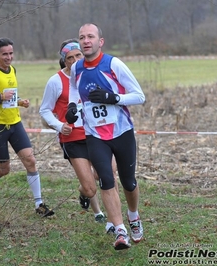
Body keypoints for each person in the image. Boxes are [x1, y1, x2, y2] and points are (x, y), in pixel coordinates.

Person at [65, 23, 145, 250]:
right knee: (106, 179)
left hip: (121, 132)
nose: (86, 40)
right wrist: (72, 107)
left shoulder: (113, 64)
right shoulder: (76, 68)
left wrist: (113, 97)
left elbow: (139, 96)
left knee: (128, 182)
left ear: (101, 41)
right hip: (95, 135)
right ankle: (120, 232)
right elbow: (74, 92)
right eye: (82, 37)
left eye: (90, 36)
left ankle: (134, 215)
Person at [0, 37, 54, 217]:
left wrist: (19, 101)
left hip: (15, 123)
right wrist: (0, 97)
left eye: (11, 53)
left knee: (30, 161)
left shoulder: (12, 70)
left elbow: (9, 96)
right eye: (4, 54)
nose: (9, 57)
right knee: (4, 169)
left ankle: (39, 204)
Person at [40, 39, 117, 231]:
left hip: (97, 134)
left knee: (107, 175)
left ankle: (114, 222)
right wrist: (59, 126)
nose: (74, 60)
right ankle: (87, 196)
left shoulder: (93, 74)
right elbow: (45, 110)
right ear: (64, 61)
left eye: (78, 55)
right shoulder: (56, 81)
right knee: (90, 188)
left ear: (84, 55)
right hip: (73, 138)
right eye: (69, 58)